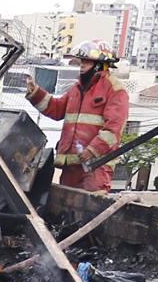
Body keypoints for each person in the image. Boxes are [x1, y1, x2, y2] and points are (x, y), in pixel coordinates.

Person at [25, 41, 129, 194]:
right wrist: (35, 93)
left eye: (87, 62)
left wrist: (91, 151)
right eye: (81, 62)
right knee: (65, 204)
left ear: (100, 65)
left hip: (95, 167)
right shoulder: (77, 89)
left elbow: (113, 130)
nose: (81, 66)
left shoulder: (114, 90)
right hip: (71, 165)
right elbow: (56, 109)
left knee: (90, 204)